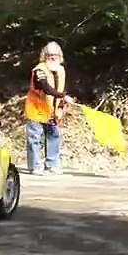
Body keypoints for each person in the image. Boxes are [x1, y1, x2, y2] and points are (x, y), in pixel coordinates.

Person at [24, 41, 77, 175]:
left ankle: (52, 165)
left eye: (55, 55)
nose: (53, 58)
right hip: (36, 110)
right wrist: (62, 96)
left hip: (52, 111)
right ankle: (35, 166)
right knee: (34, 139)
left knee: (54, 136)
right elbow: (44, 86)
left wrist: (61, 102)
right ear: (44, 56)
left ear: (60, 57)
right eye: (50, 55)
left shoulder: (60, 70)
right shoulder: (39, 70)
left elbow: (60, 88)